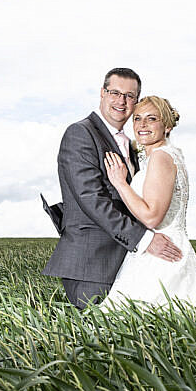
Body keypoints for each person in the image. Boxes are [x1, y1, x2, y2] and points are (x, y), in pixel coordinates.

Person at [43, 68, 183, 309]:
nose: (122, 101)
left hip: (127, 261)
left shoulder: (131, 145)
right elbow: (91, 198)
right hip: (92, 262)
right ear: (102, 93)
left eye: (130, 96)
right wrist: (144, 239)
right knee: (97, 338)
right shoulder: (80, 133)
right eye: (115, 92)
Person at [99, 95, 196, 309]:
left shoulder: (160, 157)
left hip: (160, 255)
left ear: (166, 126)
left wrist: (120, 183)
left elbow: (151, 216)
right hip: (169, 247)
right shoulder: (167, 155)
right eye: (137, 119)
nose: (142, 125)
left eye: (152, 119)